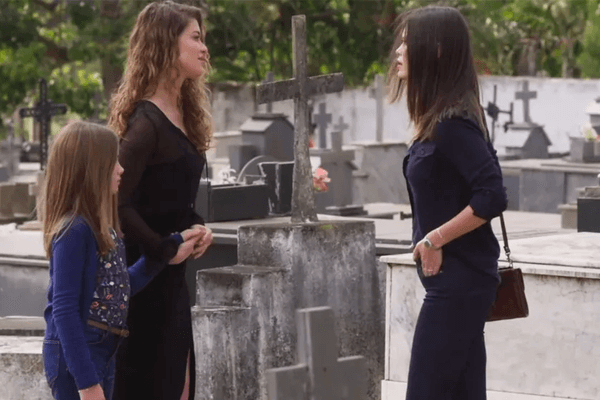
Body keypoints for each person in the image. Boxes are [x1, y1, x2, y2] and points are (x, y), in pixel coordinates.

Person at [387, 6, 508, 400]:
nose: (399, 51)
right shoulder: (438, 120)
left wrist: (435, 238)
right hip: (458, 284)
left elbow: (492, 195)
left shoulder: (452, 125)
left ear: (436, 50)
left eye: (408, 42)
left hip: (459, 286)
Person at [41, 121, 202, 400]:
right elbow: (64, 310)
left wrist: (170, 250)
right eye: (113, 161)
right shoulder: (74, 231)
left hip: (105, 348)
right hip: (78, 356)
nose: (121, 168)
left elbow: (121, 286)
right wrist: (87, 383)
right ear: (92, 170)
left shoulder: (103, 228)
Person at [107, 1, 213, 399]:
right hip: (144, 278)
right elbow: (117, 203)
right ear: (168, 44)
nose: (204, 48)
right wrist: (163, 248)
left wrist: (197, 227)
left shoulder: (183, 111)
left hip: (170, 274)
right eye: (196, 38)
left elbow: (170, 196)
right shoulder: (144, 124)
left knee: (180, 384)